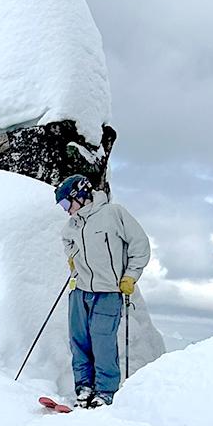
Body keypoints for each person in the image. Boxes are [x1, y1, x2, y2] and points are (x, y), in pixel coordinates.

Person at [54, 173, 151, 406]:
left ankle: (105, 391)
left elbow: (140, 244)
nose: (66, 210)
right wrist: (72, 259)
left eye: (67, 203)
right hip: (80, 291)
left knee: (103, 342)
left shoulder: (113, 214)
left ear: (80, 195)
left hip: (108, 292)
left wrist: (130, 276)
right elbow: (67, 241)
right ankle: (84, 387)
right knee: (79, 342)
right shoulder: (73, 224)